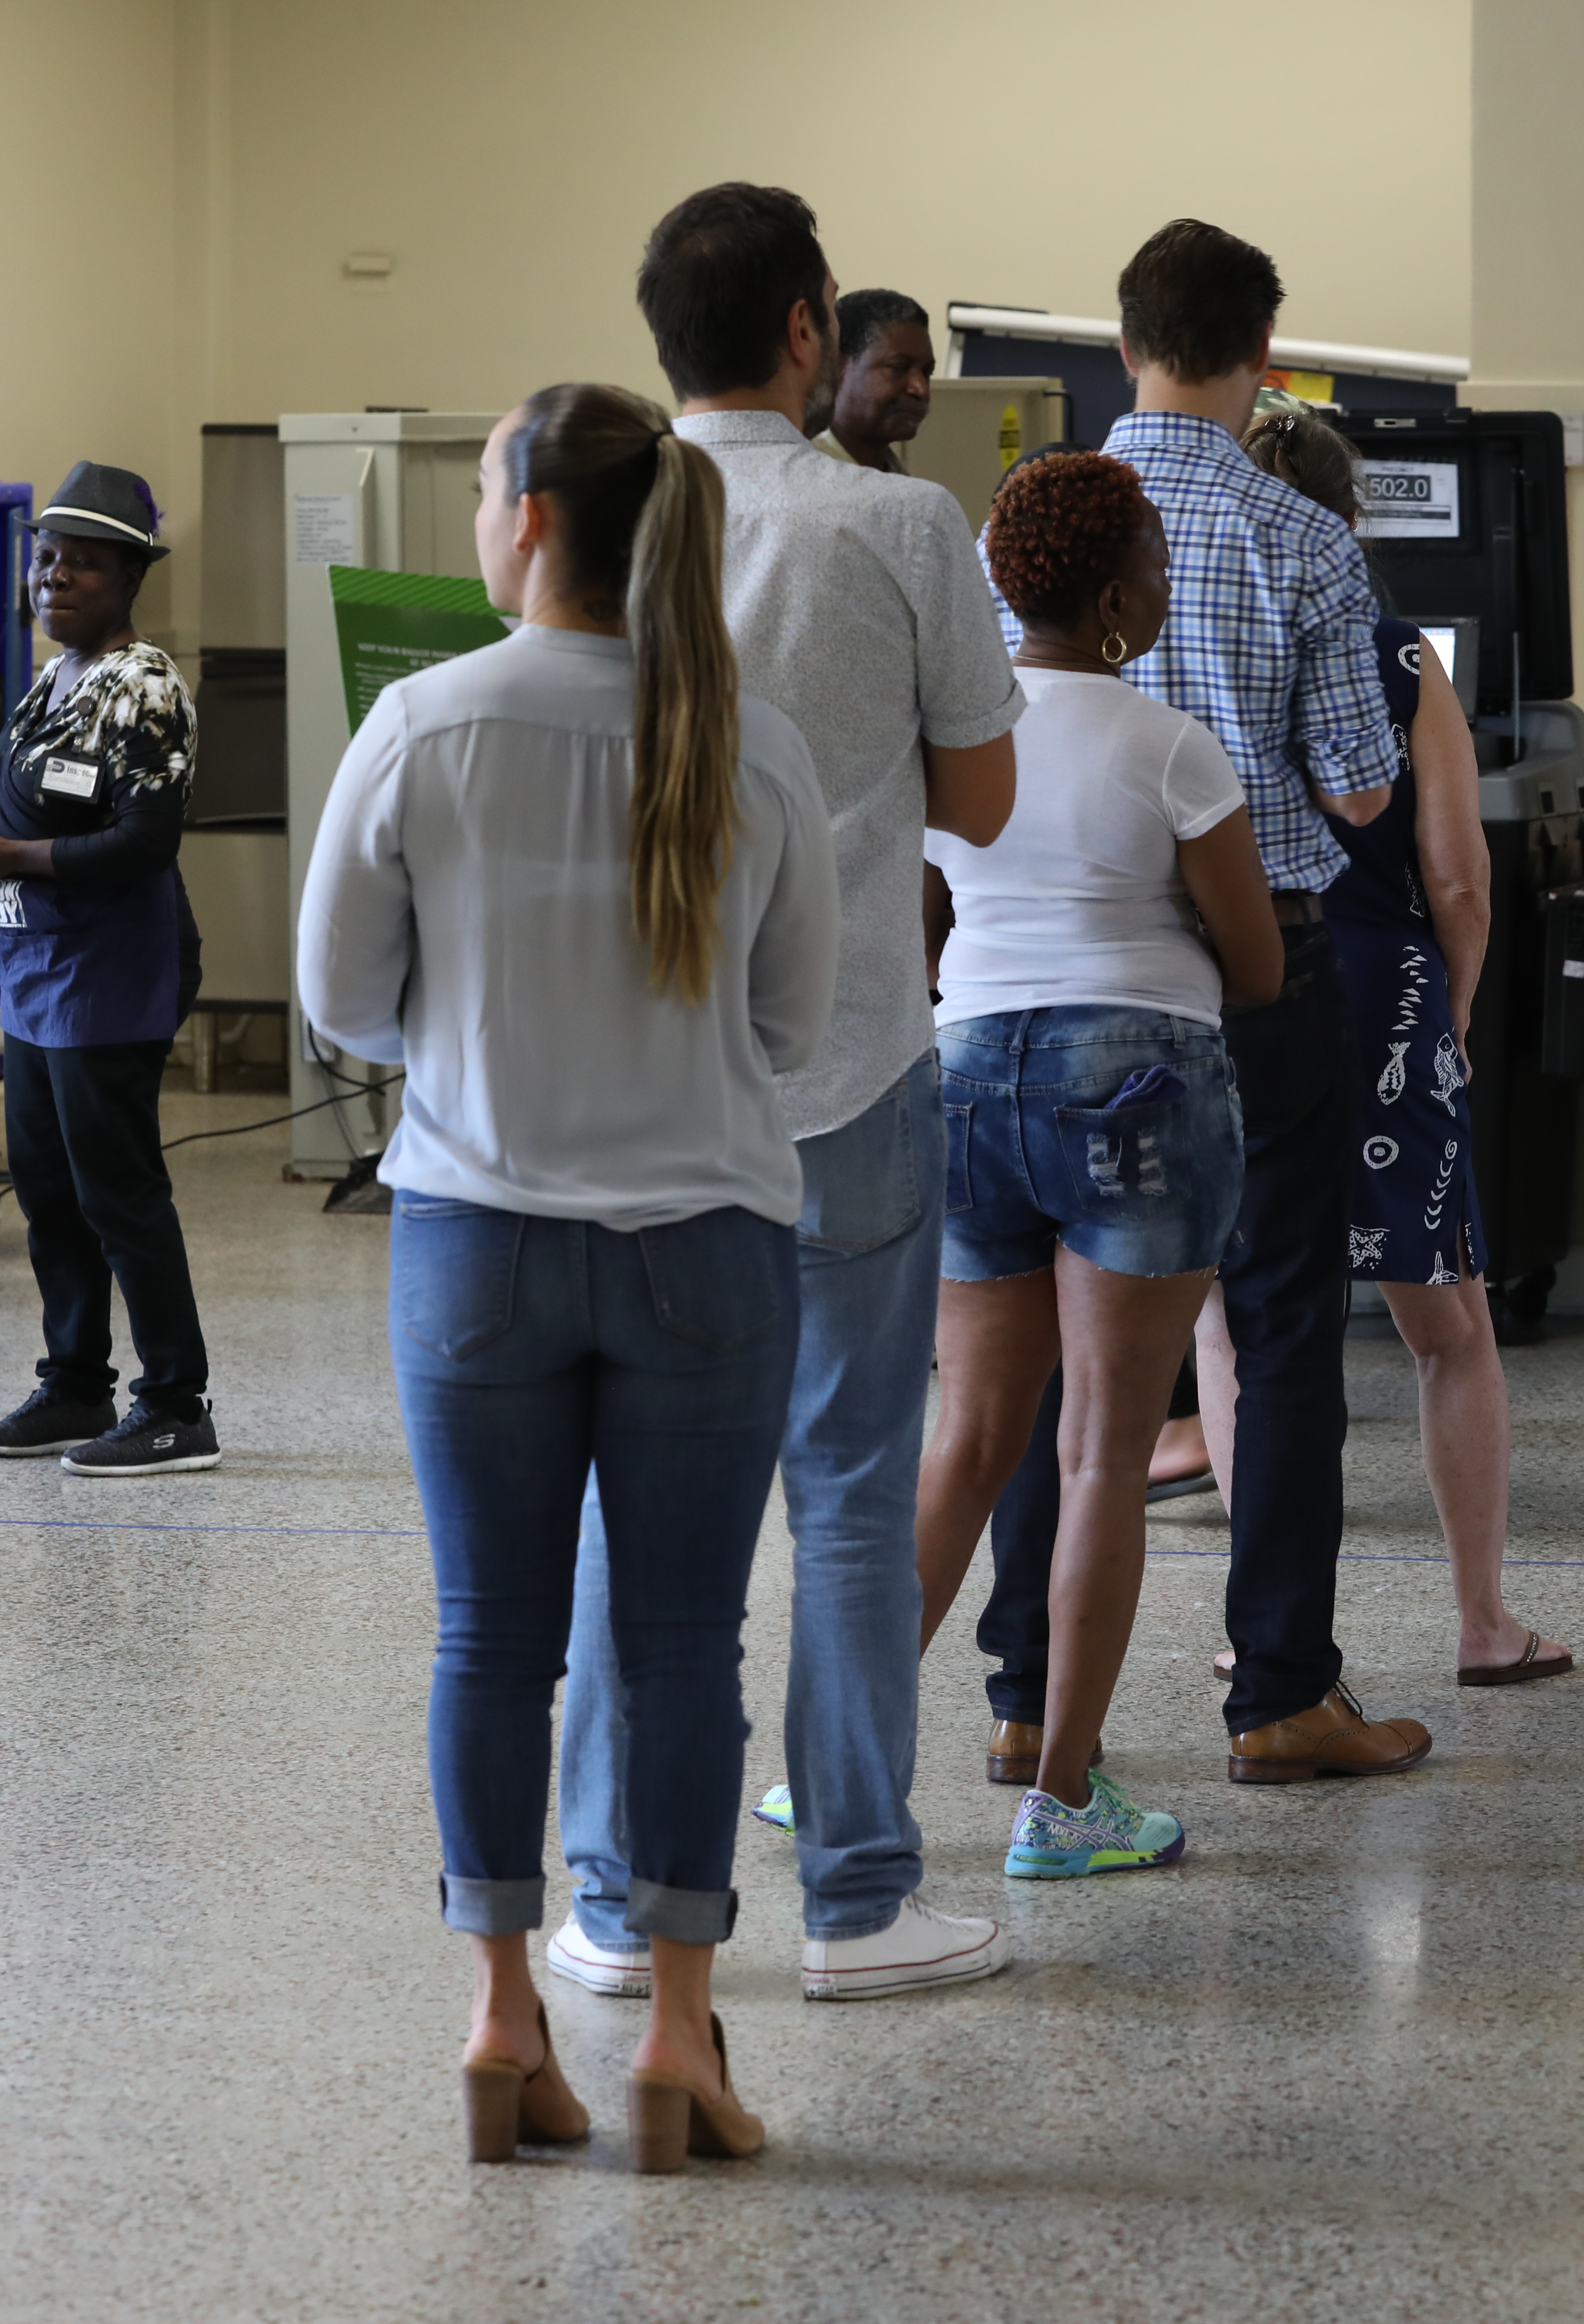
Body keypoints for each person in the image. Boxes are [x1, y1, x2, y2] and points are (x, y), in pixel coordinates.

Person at [297, 382, 838, 2171]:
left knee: (490, 1640)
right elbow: (789, 1025)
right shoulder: (752, 746)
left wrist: (471, 1036)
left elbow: (341, 1002)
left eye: (476, 488)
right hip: (709, 1253)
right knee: (683, 1645)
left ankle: (502, 2016)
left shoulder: (422, 723)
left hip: (475, 1248)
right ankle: (679, 2037)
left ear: (530, 515)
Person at [547, 184, 1022, 2010]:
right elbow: (979, 801)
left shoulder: (606, 516)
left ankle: (609, 1901)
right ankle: (855, 1900)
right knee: (845, 1486)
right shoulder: (897, 524)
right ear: (812, 330)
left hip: (639, 1082)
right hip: (848, 1066)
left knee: (627, 1500)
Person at [969, 219, 1432, 1786]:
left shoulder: (1014, 529)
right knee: (1281, 1319)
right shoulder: (1302, 540)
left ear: (1123, 345)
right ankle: (1280, 1694)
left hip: (1052, 973)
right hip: (1258, 963)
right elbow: (1364, 797)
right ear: (1263, 353)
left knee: (1043, 1354)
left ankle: (1026, 1695)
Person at [913, 451, 1283, 1873]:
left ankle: (836, 1773)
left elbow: (935, 919)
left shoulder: (960, 743)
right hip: (1137, 1084)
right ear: (1125, 593)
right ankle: (1064, 1807)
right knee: (1102, 1453)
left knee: (966, 1439)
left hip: (966, 1074)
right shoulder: (1170, 743)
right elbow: (1252, 966)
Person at [1229, 404, 1568, 1685]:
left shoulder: (1207, 645)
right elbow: (1460, 875)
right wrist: (1455, 1007)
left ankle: (1251, 1626)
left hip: (1244, 975)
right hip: (1383, 985)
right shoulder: (1398, 658)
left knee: (1241, 1317)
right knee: (1451, 1329)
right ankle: (1483, 1623)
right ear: (1351, 520)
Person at [0, 462, 219, 1478]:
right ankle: (73, 1386)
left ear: (130, 577)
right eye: (46, 557)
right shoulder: (57, 678)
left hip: (107, 975)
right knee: (48, 1189)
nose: (54, 577)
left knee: (119, 1196)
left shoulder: (143, 688)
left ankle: (176, 1403)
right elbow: (55, 802)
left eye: (83, 564)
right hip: (34, 972)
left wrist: (7, 857)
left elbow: (143, 841)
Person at [815, 288, 934, 475]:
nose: (921, 390)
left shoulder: (899, 479)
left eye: (927, 372)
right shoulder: (809, 478)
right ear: (838, 367)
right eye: (898, 367)